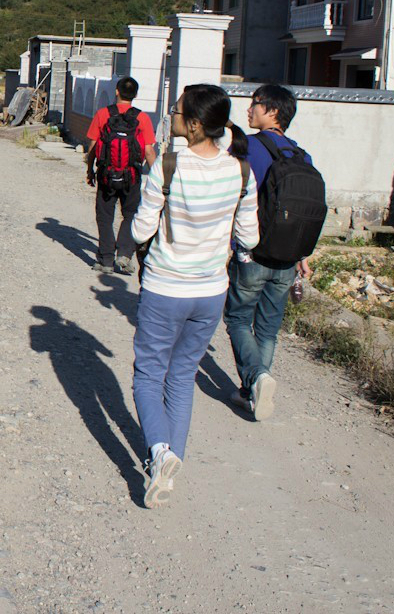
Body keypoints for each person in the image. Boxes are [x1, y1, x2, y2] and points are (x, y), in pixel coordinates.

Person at [129, 84, 258, 506]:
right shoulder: (240, 171)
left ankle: (159, 453)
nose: (173, 115)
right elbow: (249, 237)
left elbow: (139, 231)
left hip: (166, 286)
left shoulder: (168, 166)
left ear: (196, 125)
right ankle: (166, 468)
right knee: (182, 377)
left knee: (149, 374)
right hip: (211, 293)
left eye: (178, 111)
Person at [225, 84, 315, 421]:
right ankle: (252, 390)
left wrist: (229, 246)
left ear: (273, 111)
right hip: (288, 257)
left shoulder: (252, 149)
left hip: (254, 252)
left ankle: (257, 378)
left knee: (236, 319)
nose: (249, 110)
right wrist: (303, 254)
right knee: (267, 327)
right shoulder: (301, 155)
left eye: (255, 104)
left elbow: (235, 198)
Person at [84, 77, 157, 274]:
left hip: (107, 174)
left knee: (105, 216)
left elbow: (92, 146)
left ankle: (106, 260)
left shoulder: (103, 114)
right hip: (131, 175)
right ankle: (124, 253)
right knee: (131, 213)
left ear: (117, 91)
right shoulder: (142, 118)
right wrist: (159, 177)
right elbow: (149, 151)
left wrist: (90, 170)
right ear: (135, 94)